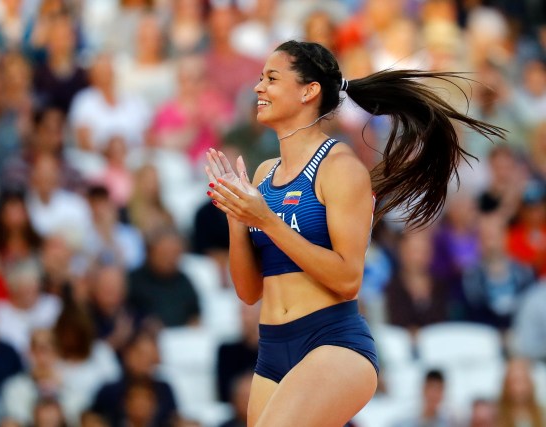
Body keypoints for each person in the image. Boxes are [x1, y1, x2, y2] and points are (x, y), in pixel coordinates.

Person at [205, 40, 505, 426]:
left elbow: (348, 279)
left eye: (271, 78)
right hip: (272, 349)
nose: (258, 88)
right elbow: (249, 292)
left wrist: (266, 221)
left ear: (308, 91)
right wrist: (236, 215)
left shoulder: (340, 168)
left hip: (332, 341)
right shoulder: (264, 174)